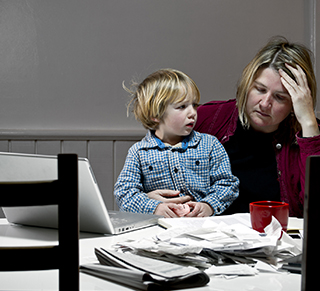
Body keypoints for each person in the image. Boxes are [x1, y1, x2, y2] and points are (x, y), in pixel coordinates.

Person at [193, 37, 320, 217]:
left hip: (281, 241)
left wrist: (308, 123)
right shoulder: (209, 118)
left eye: (280, 97)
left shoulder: (312, 135)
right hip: (209, 239)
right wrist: (150, 196)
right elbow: (148, 164)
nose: (265, 103)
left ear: (295, 103)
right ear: (247, 85)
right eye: (260, 89)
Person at [114, 69, 239, 218]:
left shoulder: (210, 145)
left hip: (202, 227)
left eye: (194, 105)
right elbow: (124, 193)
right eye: (182, 107)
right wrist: (155, 207)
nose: (192, 113)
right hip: (158, 228)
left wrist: (209, 205)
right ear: (155, 114)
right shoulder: (139, 152)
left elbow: (227, 183)